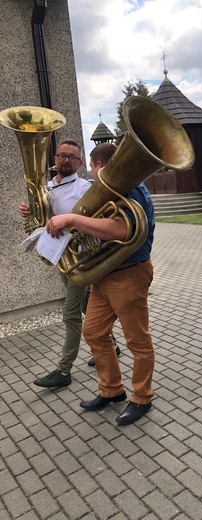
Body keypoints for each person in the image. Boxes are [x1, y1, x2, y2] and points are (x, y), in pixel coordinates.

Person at [44, 142, 155, 425]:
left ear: (98, 166)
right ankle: (112, 390)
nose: (93, 175)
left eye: (92, 168)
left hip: (130, 274)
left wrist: (72, 218)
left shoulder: (129, 187)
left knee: (137, 341)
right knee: (93, 332)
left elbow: (121, 228)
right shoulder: (116, 189)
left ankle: (142, 397)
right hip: (104, 275)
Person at [19, 140, 91, 388]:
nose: (66, 160)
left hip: (80, 258)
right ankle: (110, 345)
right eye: (62, 155)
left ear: (80, 163)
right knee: (85, 304)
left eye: (72, 157)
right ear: (55, 159)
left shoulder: (84, 187)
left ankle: (64, 371)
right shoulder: (46, 187)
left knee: (71, 314)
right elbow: (43, 218)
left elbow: (90, 220)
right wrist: (30, 212)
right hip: (60, 256)